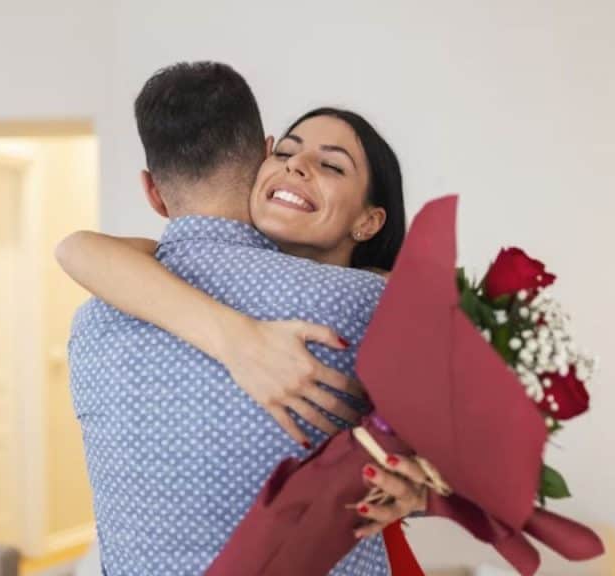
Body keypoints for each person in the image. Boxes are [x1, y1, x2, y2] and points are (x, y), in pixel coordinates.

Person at [62, 61, 427, 576]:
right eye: (286, 152)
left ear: (152, 192)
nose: (297, 167)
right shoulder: (366, 303)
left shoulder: (93, 319)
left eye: (333, 165)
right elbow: (77, 248)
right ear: (261, 160)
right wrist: (237, 339)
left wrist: (429, 483)